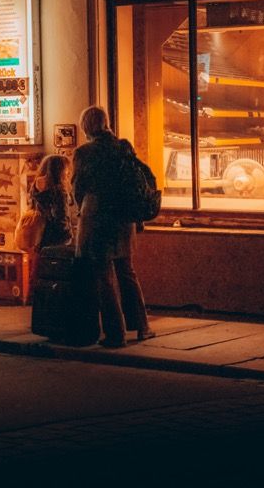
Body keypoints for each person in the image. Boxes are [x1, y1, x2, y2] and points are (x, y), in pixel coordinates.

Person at [71, 105, 154, 347]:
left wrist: (81, 209)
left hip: (96, 219)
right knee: (127, 271)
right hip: (123, 218)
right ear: (106, 123)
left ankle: (115, 334)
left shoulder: (83, 153)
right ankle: (142, 327)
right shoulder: (123, 147)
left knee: (104, 276)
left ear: (86, 127)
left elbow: (77, 188)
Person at [31, 154, 74, 248]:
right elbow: (60, 217)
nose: (68, 172)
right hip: (58, 239)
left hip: (38, 237)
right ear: (59, 171)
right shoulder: (59, 191)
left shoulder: (36, 186)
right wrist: (69, 234)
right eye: (66, 168)